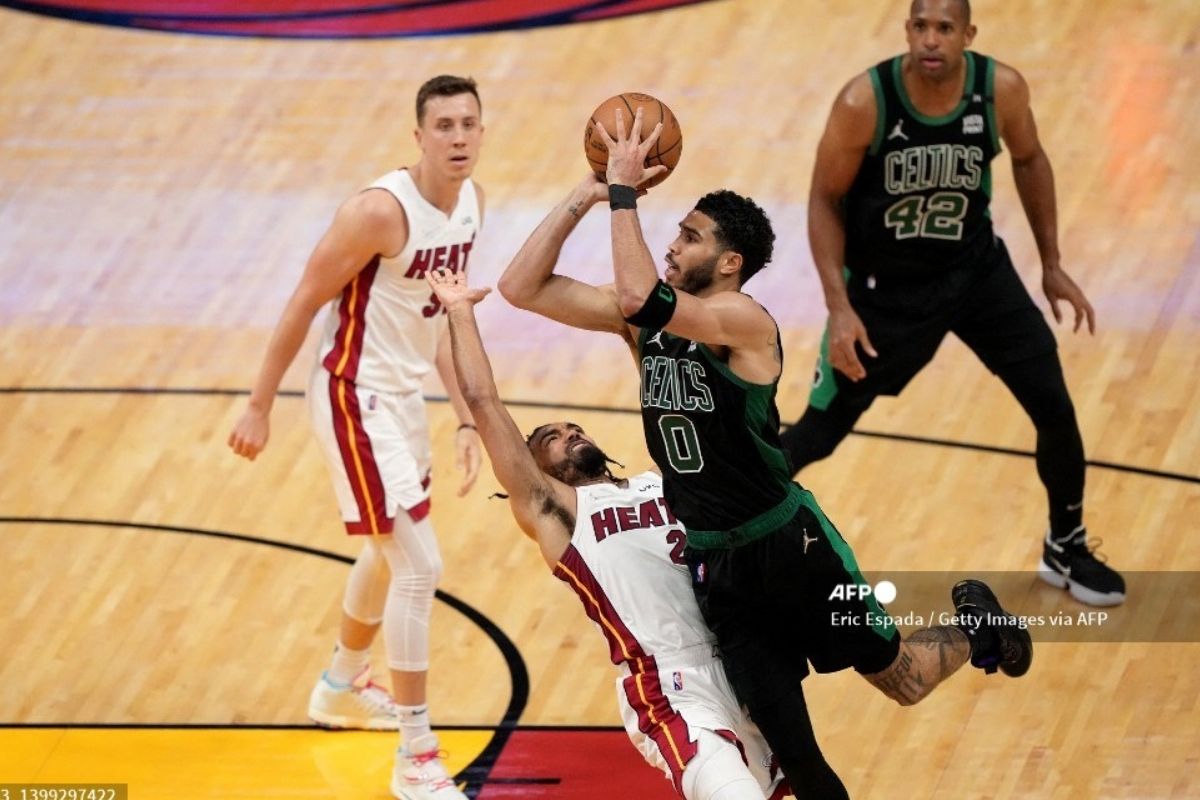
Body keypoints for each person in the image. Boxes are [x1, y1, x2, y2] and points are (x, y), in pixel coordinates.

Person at [497, 107, 1033, 798]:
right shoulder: (645, 331)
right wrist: (588, 192)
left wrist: (626, 192)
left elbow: (638, 294)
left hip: (794, 550)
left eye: (689, 238)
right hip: (721, 570)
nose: (672, 245)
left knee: (905, 682)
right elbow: (520, 289)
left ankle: (976, 632)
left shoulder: (743, 323)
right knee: (799, 765)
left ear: (728, 262)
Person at [777, 0, 1124, 608]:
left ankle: (1065, 542)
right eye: (920, 26)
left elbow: (1029, 158)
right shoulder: (865, 102)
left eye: (944, 28)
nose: (930, 40)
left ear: (968, 35)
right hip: (886, 291)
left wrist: (1051, 264)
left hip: (975, 272)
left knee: (1054, 403)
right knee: (818, 434)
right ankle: (715, 532)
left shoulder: (1000, 90)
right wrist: (839, 307)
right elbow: (823, 201)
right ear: (907, 31)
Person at [426, 266, 789, 800]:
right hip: (669, 686)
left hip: (743, 664)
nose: (570, 434)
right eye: (551, 438)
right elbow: (484, 402)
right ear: (536, 469)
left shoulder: (665, 484)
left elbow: (675, 397)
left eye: (575, 428)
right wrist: (460, 311)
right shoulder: (558, 511)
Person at [228, 74, 485, 800]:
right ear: (419, 136)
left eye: (469, 124)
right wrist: (258, 405)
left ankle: (340, 684)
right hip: (352, 398)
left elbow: (437, 318)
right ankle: (417, 755)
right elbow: (304, 301)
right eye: (444, 126)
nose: (459, 137)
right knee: (418, 565)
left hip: (401, 404)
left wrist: (465, 414)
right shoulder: (378, 212)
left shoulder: (470, 205)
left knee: (385, 549)